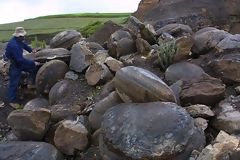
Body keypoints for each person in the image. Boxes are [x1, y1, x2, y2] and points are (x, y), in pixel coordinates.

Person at [5, 27, 40, 109]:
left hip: (19, 62)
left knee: (33, 68)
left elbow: (24, 45)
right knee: (14, 83)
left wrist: (31, 50)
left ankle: (30, 83)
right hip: (15, 64)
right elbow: (20, 60)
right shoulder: (14, 45)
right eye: (23, 36)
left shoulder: (18, 40)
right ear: (19, 36)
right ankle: (12, 101)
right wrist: (33, 62)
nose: (24, 37)